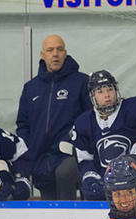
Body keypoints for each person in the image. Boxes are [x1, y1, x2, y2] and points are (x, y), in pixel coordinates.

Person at [71, 70, 136, 201]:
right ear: (92, 96)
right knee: (90, 188)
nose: (107, 95)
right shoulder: (84, 122)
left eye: (110, 89)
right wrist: (91, 178)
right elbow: (85, 158)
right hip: (107, 183)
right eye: (100, 92)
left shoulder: (134, 107)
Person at [16, 35, 89, 200]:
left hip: (67, 156)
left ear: (65, 53)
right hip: (40, 158)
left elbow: (89, 121)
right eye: (50, 50)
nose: (55, 54)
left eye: (59, 49)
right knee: (49, 211)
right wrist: (29, 148)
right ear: (42, 54)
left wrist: (74, 143)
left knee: (65, 192)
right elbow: (22, 124)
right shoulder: (30, 88)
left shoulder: (81, 82)